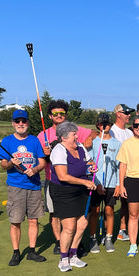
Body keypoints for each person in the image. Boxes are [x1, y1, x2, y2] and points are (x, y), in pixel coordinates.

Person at [37, 99, 93, 255]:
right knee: (55, 213)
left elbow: (93, 133)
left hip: (76, 182)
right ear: (50, 116)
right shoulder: (43, 134)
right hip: (53, 179)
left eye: (62, 113)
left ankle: (74, 243)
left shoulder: (73, 130)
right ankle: (58, 242)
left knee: (76, 216)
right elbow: (38, 156)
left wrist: (88, 140)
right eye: (55, 113)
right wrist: (44, 152)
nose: (59, 115)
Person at [0, 110, 46, 266]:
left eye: (23, 121)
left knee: (33, 220)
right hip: (15, 186)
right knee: (15, 221)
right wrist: (12, 162)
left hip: (34, 185)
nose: (20, 124)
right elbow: (3, 165)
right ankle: (16, 253)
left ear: (28, 123)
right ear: (13, 123)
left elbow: (42, 162)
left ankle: (32, 251)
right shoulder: (7, 141)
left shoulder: (34, 141)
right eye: (17, 121)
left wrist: (35, 169)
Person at [49, 121, 98, 272]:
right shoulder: (59, 150)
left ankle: (73, 255)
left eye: (76, 133)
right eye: (74, 134)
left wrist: (91, 167)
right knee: (69, 227)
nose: (77, 136)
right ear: (63, 137)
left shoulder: (81, 147)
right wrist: (85, 182)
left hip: (80, 191)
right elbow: (62, 176)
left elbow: (88, 163)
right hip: (64, 192)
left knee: (82, 224)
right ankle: (63, 259)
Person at [117, 115, 139, 257]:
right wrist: (121, 185)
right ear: (132, 127)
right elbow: (122, 165)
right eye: (136, 125)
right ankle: (133, 245)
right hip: (132, 181)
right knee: (133, 214)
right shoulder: (127, 143)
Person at [88, 113, 121, 254]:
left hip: (111, 183)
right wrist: (96, 182)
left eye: (107, 124)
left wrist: (119, 184)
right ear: (98, 125)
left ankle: (108, 237)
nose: (105, 126)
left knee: (109, 211)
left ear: (111, 125)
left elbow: (120, 166)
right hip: (97, 183)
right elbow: (89, 163)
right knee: (95, 211)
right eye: (102, 124)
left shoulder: (117, 143)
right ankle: (93, 238)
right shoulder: (94, 142)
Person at [111, 103, 135, 242]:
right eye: (126, 113)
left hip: (129, 173)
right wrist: (117, 182)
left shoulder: (129, 132)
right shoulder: (112, 131)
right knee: (110, 206)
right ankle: (106, 235)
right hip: (114, 174)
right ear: (118, 114)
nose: (129, 115)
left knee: (127, 203)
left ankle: (123, 229)